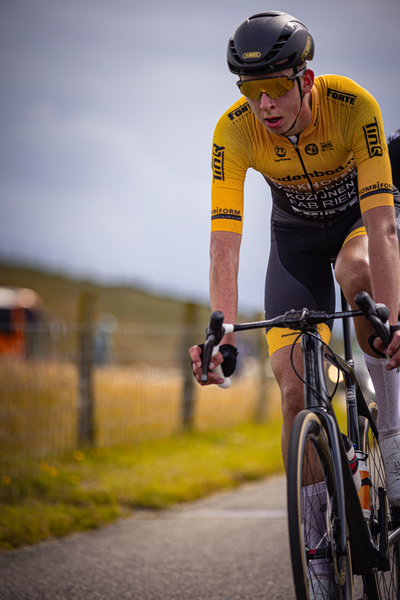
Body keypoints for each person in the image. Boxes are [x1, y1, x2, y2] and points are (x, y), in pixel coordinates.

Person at [190, 10, 400, 518]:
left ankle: (394, 440)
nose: (264, 105)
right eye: (250, 90)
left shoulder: (353, 105)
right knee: (294, 393)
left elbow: (383, 227)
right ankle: (317, 558)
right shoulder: (233, 130)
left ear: (305, 78)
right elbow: (224, 243)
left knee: (358, 272)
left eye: (276, 88)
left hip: (358, 222)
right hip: (296, 243)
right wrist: (225, 333)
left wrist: (392, 318)